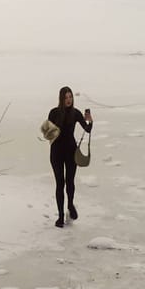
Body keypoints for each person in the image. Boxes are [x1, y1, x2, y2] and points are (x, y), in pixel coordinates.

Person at [43, 86, 93, 228]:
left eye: (70, 97)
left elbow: (87, 129)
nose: (69, 100)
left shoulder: (76, 113)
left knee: (70, 182)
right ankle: (60, 217)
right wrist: (52, 131)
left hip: (71, 152)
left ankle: (70, 205)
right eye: (66, 97)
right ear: (61, 98)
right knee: (60, 183)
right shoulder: (53, 113)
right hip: (56, 152)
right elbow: (47, 135)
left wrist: (90, 121)